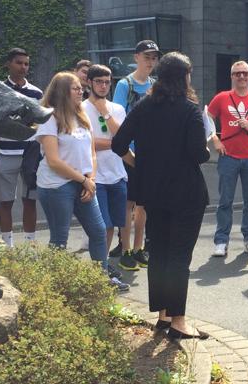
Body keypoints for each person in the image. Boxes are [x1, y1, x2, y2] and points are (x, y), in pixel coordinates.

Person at [112, 52, 211, 341]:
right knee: (179, 256)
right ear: (184, 77)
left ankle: (164, 315)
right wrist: (206, 148)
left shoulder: (144, 106)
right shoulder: (190, 110)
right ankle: (179, 322)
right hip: (186, 193)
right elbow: (198, 153)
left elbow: (119, 144)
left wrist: (139, 165)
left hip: (153, 193)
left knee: (159, 254)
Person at [35, 72, 127, 292]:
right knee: (60, 237)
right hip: (57, 185)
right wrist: (84, 180)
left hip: (83, 182)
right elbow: (54, 161)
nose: (81, 92)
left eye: (81, 88)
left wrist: (90, 179)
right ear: (62, 91)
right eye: (76, 88)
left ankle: (100, 280)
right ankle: (54, 288)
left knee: (98, 231)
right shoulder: (50, 118)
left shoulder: (81, 116)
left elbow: (91, 153)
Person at [207, 60, 248, 258]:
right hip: (228, 156)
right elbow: (206, 117)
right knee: (225, 201)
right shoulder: (222, 98)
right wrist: (215, 139)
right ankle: (221, 241)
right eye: (237, 73)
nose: (242, 76)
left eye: (245, 73)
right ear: (232, 76)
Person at [112, 40, 160, 271]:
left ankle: (139, 248)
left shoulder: (156, 85)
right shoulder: (125, 84)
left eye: (154, 58)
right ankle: (126, 250)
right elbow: (118, 118)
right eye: (146, 57)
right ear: (136, 57)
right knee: (128, 203)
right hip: (129, 151)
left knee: (144, 204)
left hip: (149, 152)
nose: (150, 61)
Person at [0, 48, 41, 247]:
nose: (23, 67)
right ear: (8, 64)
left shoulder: (36, 92)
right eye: (19, 63)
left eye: (26, 64)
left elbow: (39, 123)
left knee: (30, 200)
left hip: (30, 154)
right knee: (6, 201)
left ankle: (30, 245)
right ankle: (7, 246)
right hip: (5, 153)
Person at [83, 64, 129, 282]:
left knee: (113, 225)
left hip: (117, 175)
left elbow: (123, 138)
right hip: (95, 177)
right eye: (99, 81)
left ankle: (103, 266)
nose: (103, 86)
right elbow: (85, 142)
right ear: (89, 83)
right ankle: (98, 271)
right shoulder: (80, 109)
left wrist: (105, 113)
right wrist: (113, 143)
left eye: (107, 82)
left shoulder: (117, 109)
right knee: (101, 226)